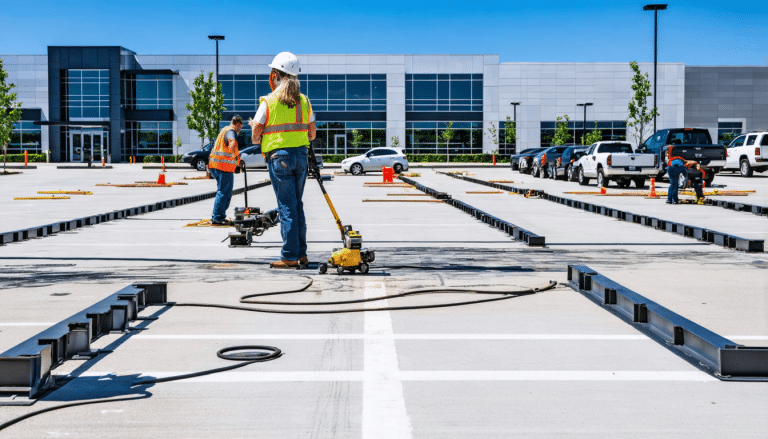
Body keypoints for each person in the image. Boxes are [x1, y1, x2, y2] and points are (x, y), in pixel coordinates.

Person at [249, 52, 317, 268]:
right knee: (297, 206)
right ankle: (302, 255)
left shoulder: (269, 101)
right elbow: (312, 134)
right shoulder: (305, 101)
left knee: (286, 207)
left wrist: (257, 135)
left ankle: (289, 257)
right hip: (301, 158)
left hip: (280, 159)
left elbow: (256, 133)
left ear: (275, 75)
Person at [208, 115, 243, 225]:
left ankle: (219, 215)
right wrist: (237, 160)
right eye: (240, 128)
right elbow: (232, 143)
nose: (239, 130)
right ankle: (218, 217)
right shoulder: (231, 131)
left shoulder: (224, 130)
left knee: (224, 192)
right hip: (223, 167)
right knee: (224, 192)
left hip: (217, 166)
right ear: (237, 125)